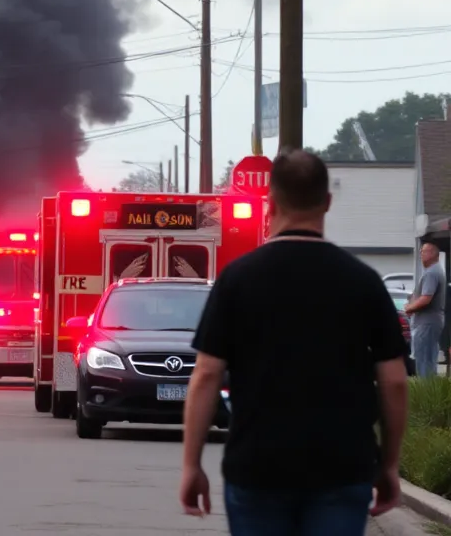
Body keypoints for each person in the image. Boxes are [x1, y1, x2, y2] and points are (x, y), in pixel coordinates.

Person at [180, 148, 409, 535]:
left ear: (270, 204)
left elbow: (206, 375)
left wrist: (191, 465)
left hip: (257, 468)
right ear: (328, 202)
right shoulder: (363, 282)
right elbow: (395, 381)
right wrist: (388, 464)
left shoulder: (237, 280)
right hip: (342, 468)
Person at [405, 242, 446, 377]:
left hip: (426, 323)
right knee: (428, 360)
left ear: (433, 254)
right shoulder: (434, 271)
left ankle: (425, 388)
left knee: (423, 362)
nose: (421, 255)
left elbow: (426, 298)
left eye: (423, 252)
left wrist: (409, 308)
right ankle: (429, 388)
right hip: (430, 322)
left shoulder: (432, 273)